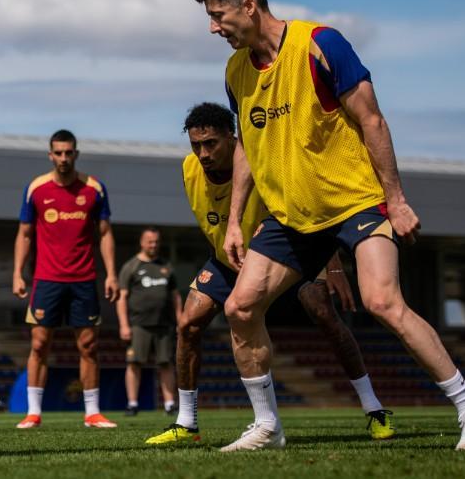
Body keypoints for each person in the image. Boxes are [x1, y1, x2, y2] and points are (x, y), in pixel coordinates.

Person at [196, 0, 465, 452]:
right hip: (291, 218)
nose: (213, 27)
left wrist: (396, 201)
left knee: (383, 303)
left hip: (355, 203)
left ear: (248, 5)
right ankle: (267, 427)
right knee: (239, 306)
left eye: (218, 15)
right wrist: (234, 220)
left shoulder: (322, 43)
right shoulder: (235, 72)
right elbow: (248, 150)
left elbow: (373, 121)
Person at [145, 103, 394, 446]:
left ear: (233, 139)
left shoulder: (259, 166)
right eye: (196, 145)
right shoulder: (189, 169)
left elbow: (309, 211)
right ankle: (187, 422)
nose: (202, 153)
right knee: (188, 323)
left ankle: (374, 409)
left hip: (281, 255)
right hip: (227, 260)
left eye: (211, 144)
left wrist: (331, 264)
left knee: (324, 314)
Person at [13, 129, 120, 429]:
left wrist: (111, 274)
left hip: (84, 279)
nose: (63, 158)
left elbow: (105, 233)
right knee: (39, 344)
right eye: (58, 152)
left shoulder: (94, 189)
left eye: (68, 152)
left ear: (76, 154)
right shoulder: (36, 188)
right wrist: (17, 273)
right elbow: (24, 234)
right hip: (46, 280)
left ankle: (92, 413)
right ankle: (33, 413)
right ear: (50, 155)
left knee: (88, 345)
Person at [117, 227, 181, 417]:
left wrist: (180, 320)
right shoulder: (131, 266)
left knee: (166, 363)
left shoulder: (166, 266)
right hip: (139, 325)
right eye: (150, 241)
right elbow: (122, 297)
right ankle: (132, 404)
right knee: (134, 363)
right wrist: (124, 325)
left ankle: (170, 404)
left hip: (165, 325)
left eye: (156, 242)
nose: (153, 245)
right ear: (142, 243)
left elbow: (176, 296)